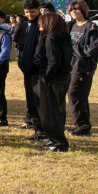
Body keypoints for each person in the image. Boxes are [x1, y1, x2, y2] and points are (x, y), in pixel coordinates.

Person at [33, 13, 72, 152]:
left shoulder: (51, 38)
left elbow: (53, 61)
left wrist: (46, 76)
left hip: (54, 79)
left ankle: (59, 143)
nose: (40, 27)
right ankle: (54, 138)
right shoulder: (64, 37)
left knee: (51, 111)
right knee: (58, 110)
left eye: (41, 24)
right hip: (64, 76)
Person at [66, 0, 98, 136]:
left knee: (76, 95)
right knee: (74, 95)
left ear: (83, 11)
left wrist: (73, 49)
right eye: (72, 9)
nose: (74, 11)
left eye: (77, 9)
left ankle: (83, 126)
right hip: (71, 66)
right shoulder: (72, 26)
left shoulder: (91, 27)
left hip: (83, 68)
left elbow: (93, 48)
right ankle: (79, 124)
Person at [18, 0, 43, 139]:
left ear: (39, 10)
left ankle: (41, 131)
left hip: (36, 70)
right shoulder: (28, 25)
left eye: (32, 12)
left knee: (38, 102)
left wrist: (34, 64)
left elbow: (40, 48)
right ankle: (37, 129)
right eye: (27, 12)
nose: (29, 15)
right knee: (31, 102)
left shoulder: (41, 24)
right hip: (27, 69)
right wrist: (22, 62)